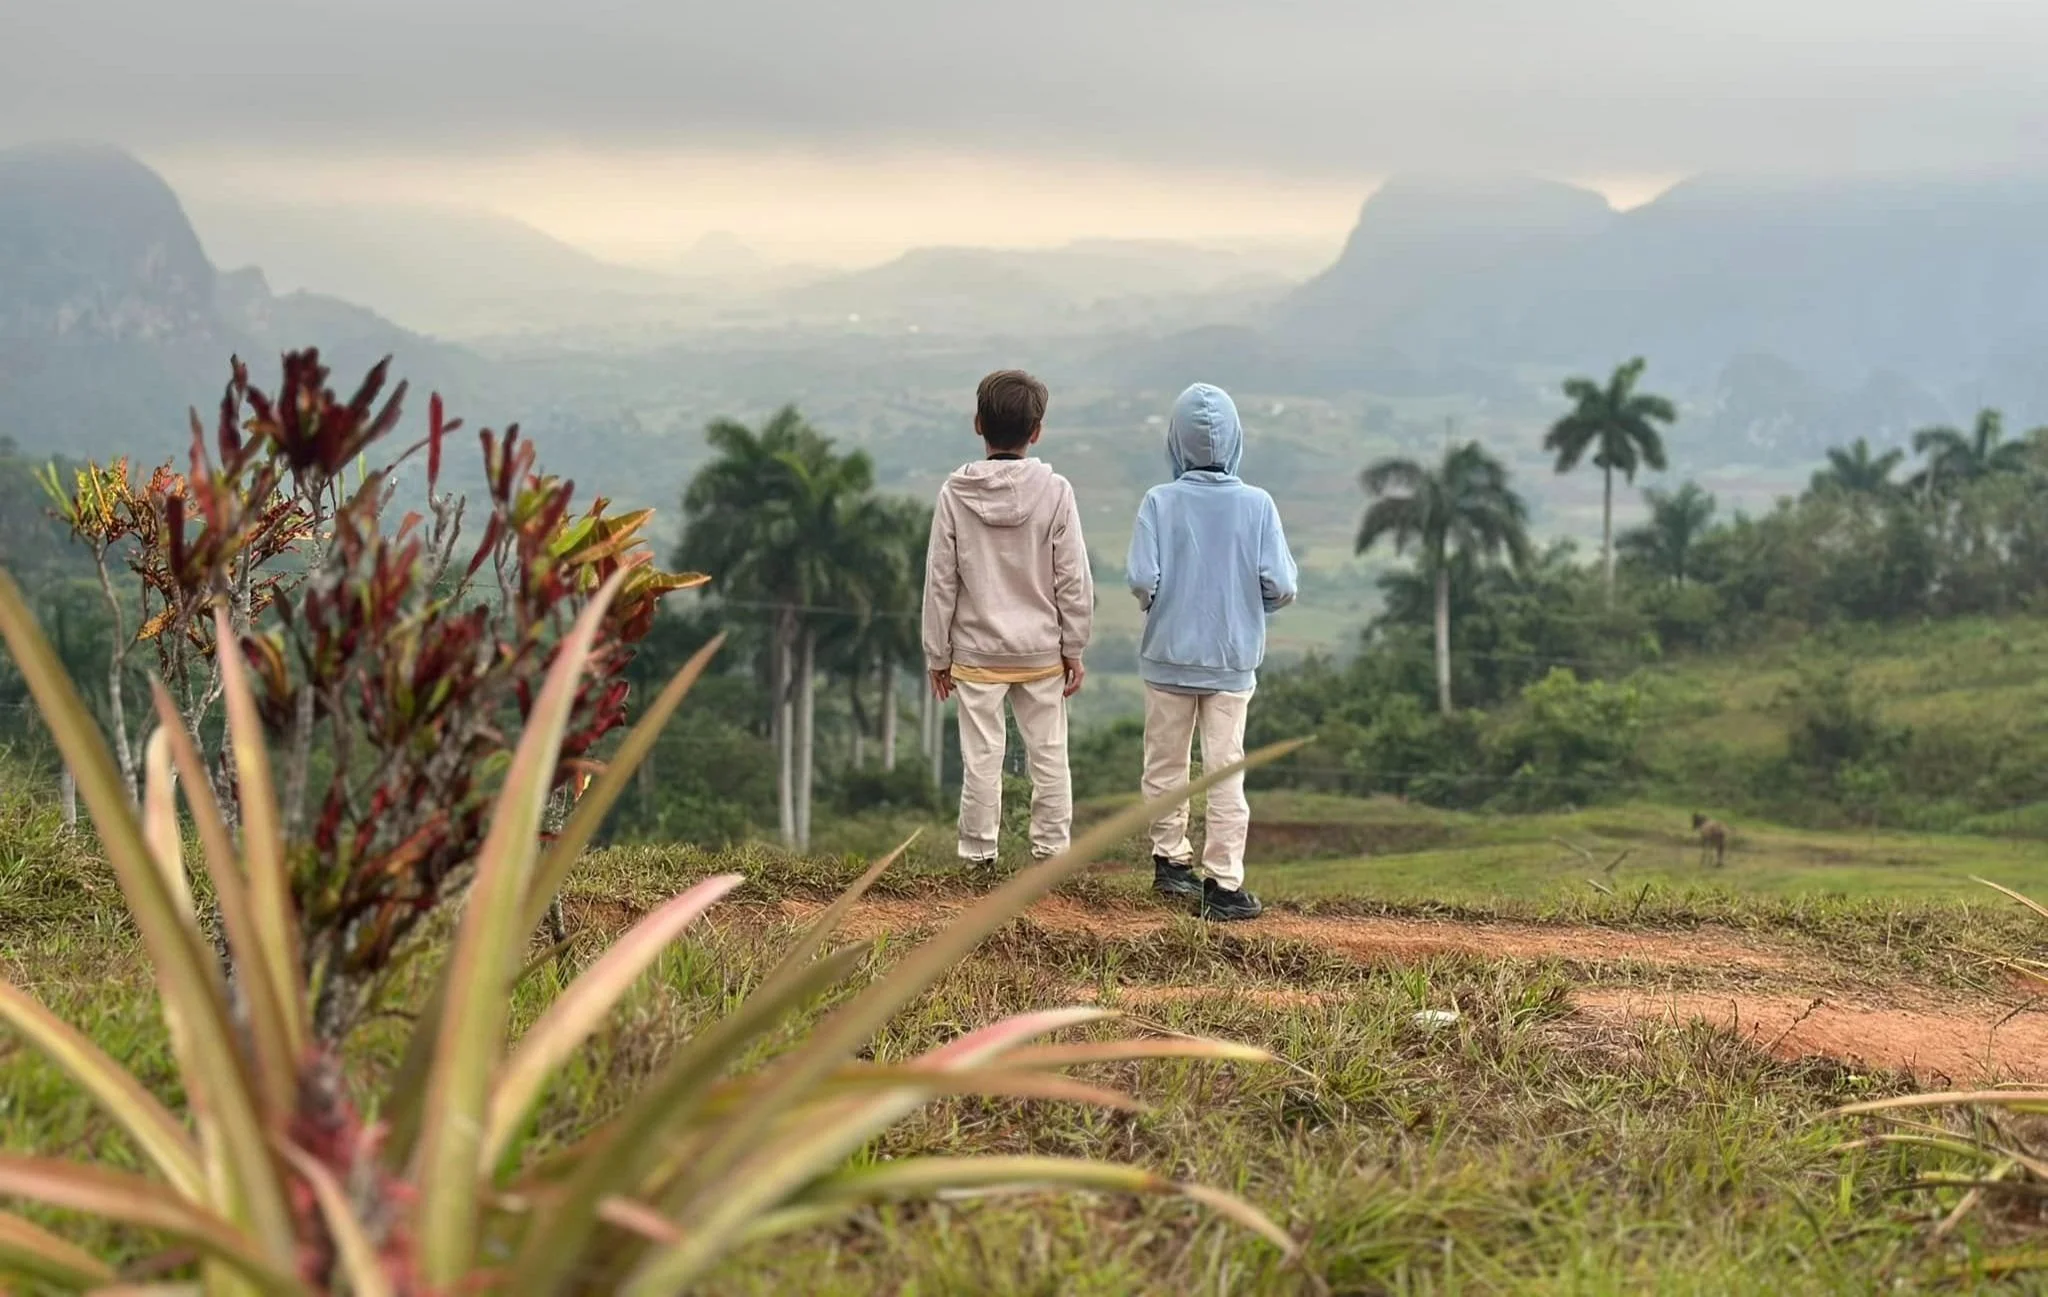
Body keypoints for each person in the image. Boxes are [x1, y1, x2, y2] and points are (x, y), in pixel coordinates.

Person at [1126, 382, 1297, 921]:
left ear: (1175, 441)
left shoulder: (1159, 500)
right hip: (1231, 661)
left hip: (1167, 659)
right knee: (1224, 771)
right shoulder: (1258, 505)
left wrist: (1163, 602)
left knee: (1166, 764)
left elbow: (1141, 578)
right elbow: (1282, 584)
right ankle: (1224, 885)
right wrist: (1253, 608)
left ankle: (1171, 864)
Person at [922, 369, 1093, 867]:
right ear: (1036, 431)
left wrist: (938, 653)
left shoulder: (954, 494)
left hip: (976, 652)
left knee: (981, 760)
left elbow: (940, 580)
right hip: (1041, 650)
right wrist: (1073, 646)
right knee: (1049, 756)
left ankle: (978, 858)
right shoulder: (1056, 491)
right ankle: (1051, 857)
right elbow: (1073, 578)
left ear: (978, 424)